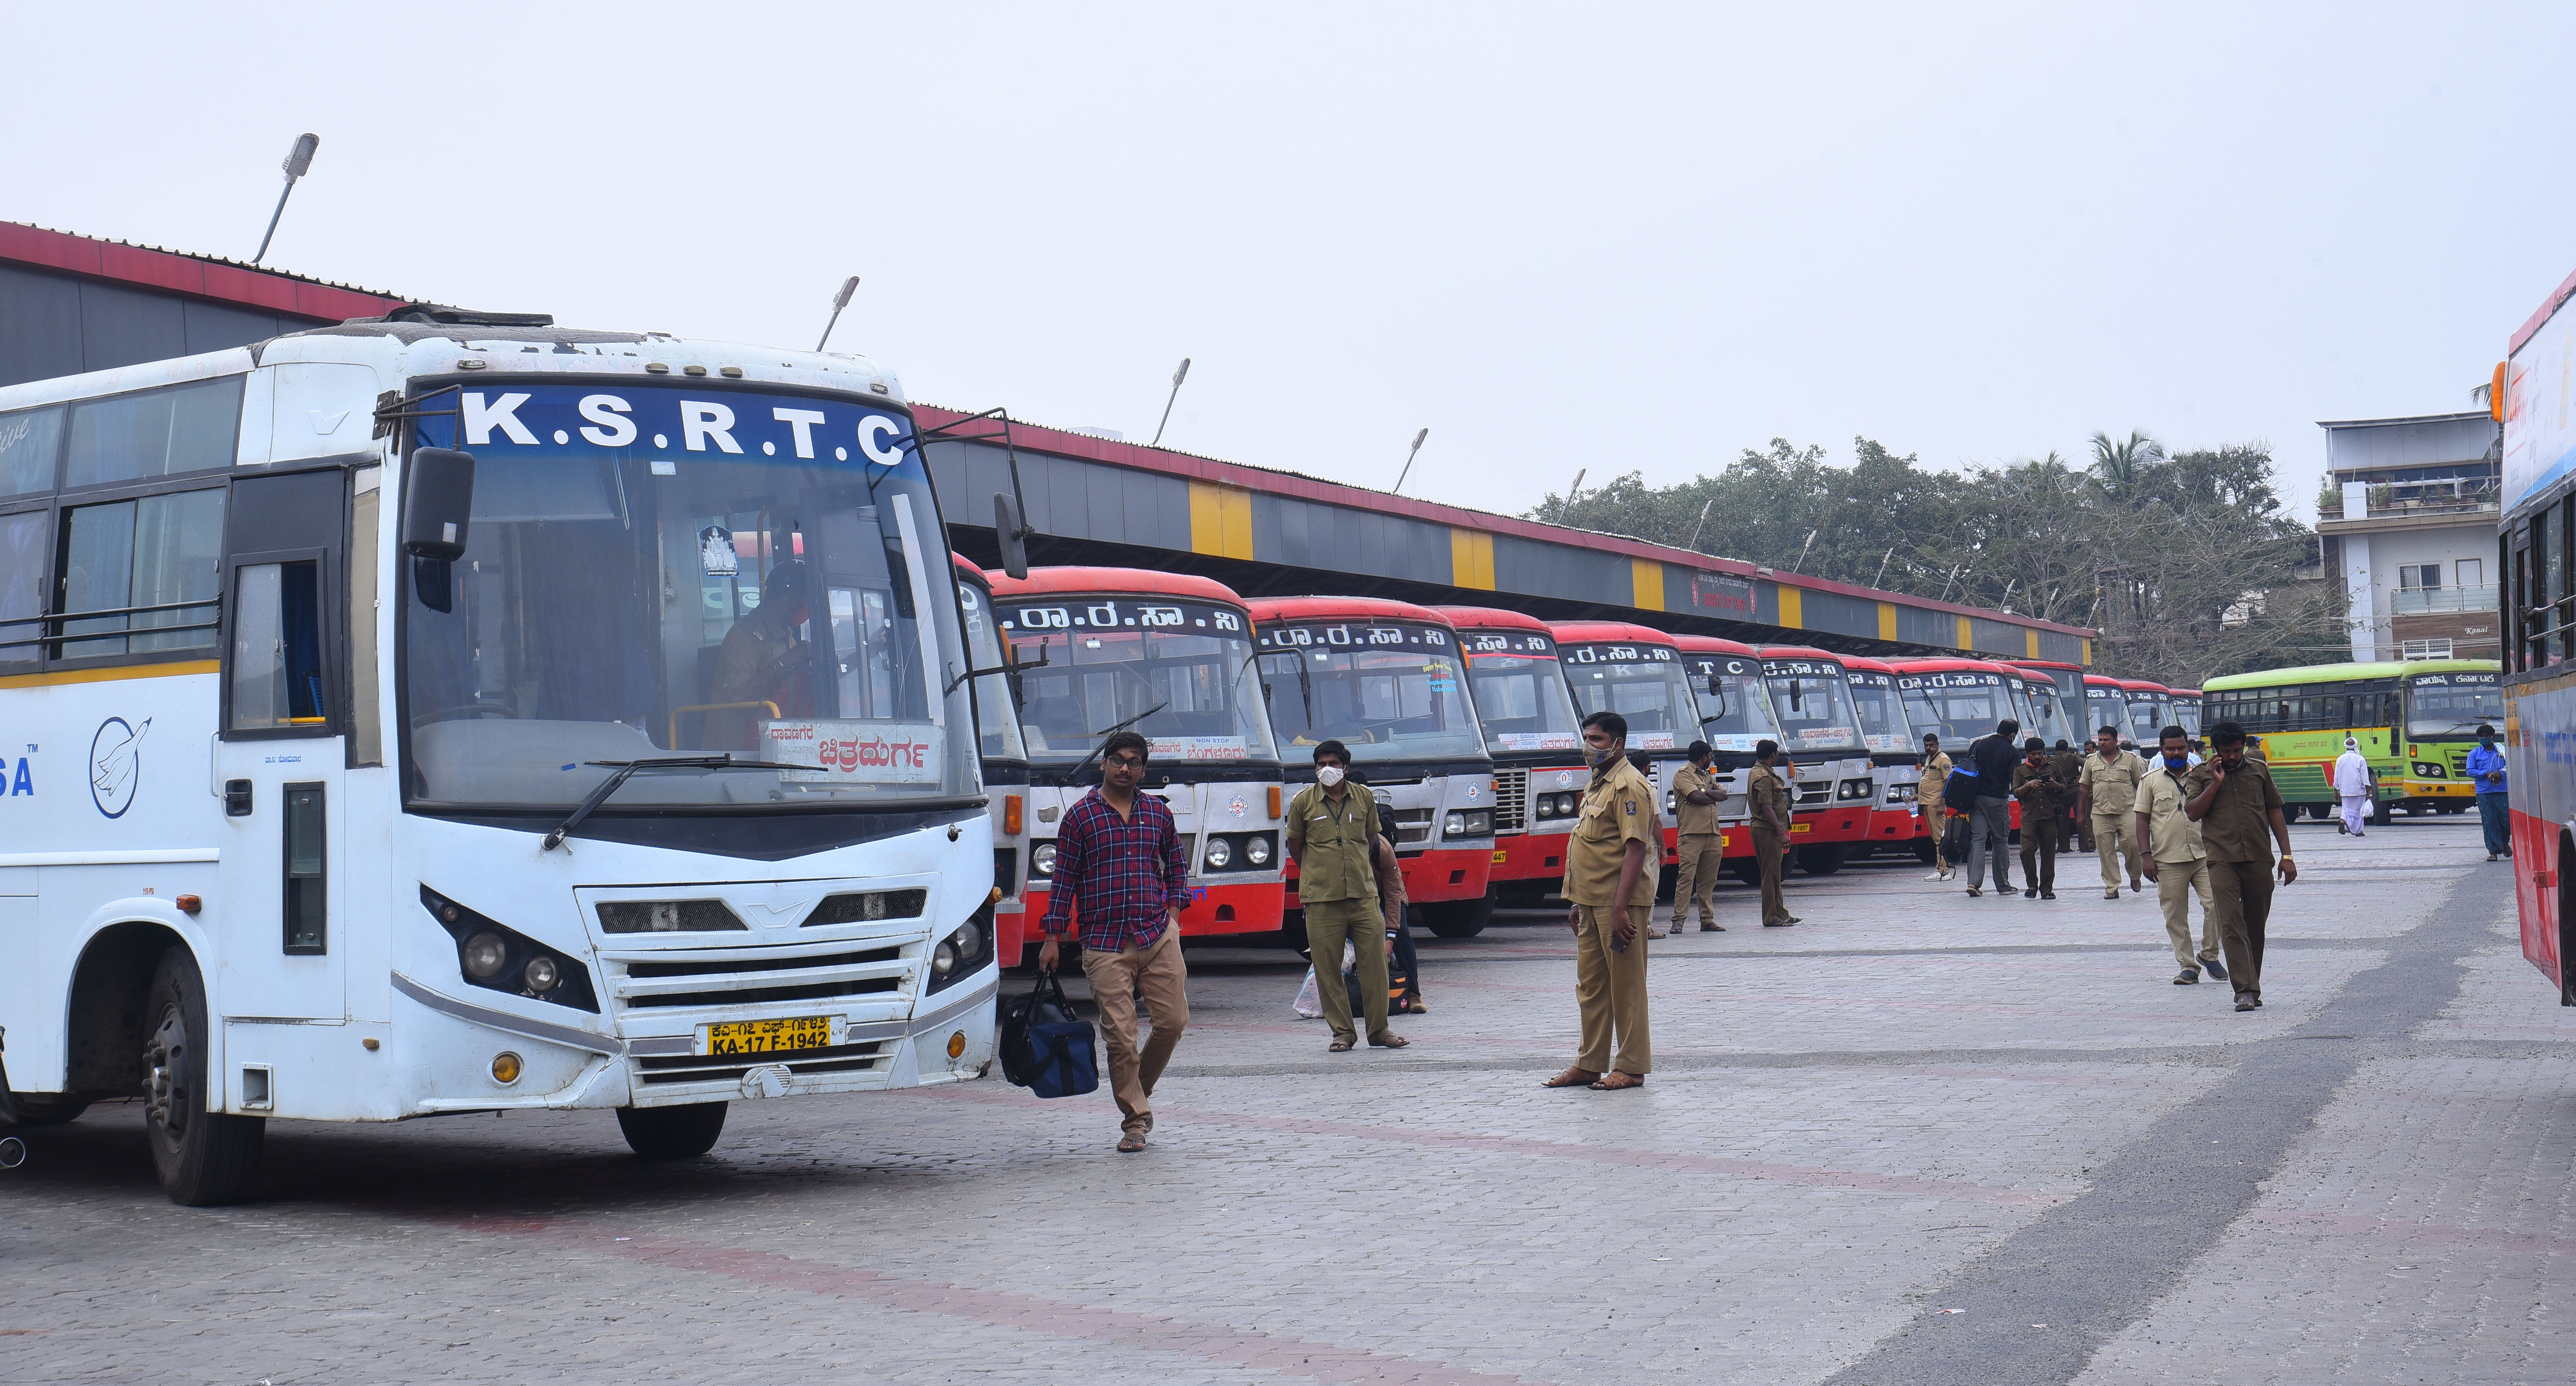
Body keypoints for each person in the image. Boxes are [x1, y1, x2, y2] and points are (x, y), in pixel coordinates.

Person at [1038, 731, 1192, 1152]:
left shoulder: (1157, 814)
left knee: (1173, 1023)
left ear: (1144, 769)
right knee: (1120, 1037)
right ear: (1103, 764)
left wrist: (1174, 918)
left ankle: (1134, 1089)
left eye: (1134, 762)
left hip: (1157, 933)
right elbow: (1063, 880)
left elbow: (1178, 870)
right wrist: (1052, 937)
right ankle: (1135, 1120)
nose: (1125, 768)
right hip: (1104, 942)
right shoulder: (1080, 817)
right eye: (1117, 761)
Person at [1544, 711, 1657, 1092]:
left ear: (1617, 744)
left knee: (1627, 987)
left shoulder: (1629, 785)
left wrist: (1621, 908)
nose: (1588, 745)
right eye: (1587, 738)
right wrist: (1577, 901)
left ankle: (1632, 1066)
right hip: (1591, 902)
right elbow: (1589, 844)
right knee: (1591, 987)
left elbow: (1636, 850)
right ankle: (1590, 1062)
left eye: (1596, 739)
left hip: (1618, 905)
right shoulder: (1598, 782)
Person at [1286, 741, 1408, 1052]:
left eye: (1333, 763)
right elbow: (1296, 846)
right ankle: (1343, 1033)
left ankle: (1379, 1030)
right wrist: (1318, 873)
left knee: (1376, 966)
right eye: (1321, 763)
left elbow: (1371, 840)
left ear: (1346, 768)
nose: (1327, 768)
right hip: (1322, 899)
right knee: (1327, 970)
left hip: (1364, 895)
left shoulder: (1364, 797)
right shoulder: (1303, 802)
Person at [2183, 720, 2298, 1012]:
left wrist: (2287, 856)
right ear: (2215, 750)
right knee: (2231, 924)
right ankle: (2245, 990)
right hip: (2221, 860)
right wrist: (2216, 783)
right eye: (2227, 752)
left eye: (2237, 751)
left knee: (2255, 925)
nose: (2233, 757)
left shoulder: (2258, 771)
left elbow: (2275, 811)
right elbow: (2193, 812)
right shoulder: (2199, 776)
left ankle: (2252, 983)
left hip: (2259, 858)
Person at [2137, 725, 2227, 986]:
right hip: (2167, 859)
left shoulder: (2204, 776)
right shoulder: (2150, 781)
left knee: (2217, 906)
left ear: (2189, 748)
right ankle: (2188, 966)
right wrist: (2146, 856)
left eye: (2181, 748)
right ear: (2162, 750)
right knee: (2175, 915)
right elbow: (2141, 821)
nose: (2176, 753)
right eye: (2170, 749)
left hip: (2205, 855)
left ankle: (2209, 954)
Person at [707, 559, 814, 747]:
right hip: (734, 753)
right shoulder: (743, 636)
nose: (804, 608)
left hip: (770, 744)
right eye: (802, 600)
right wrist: (786, 662)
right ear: (787, 598)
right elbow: (739, 696)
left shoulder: (786, 637)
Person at [2076, 724, 2148, 900]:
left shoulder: (2131, 759)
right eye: (2100, 740)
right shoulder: (2091, 761)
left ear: (2116, 741)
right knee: (2105, 851)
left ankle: (2135, 876)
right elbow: (2084, 788)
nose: (2102, 743)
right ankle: (2112, 886)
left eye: (2106, 740)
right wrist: (2080, 813)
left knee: (2132, 845)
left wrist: (2145, 810)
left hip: (2128, 811)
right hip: (2101, 813)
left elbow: (2140, 785)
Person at [1670, 740, 1729, 932]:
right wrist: (1709, 795)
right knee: (1686, 878)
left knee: (1709, 880)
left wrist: (1705, 792)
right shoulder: (1683, 774)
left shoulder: (1707, 776)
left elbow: (1724, 795)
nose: (1712, 759)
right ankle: (1679, 920)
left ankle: (1707, 919)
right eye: (1711, 756)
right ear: (1704, 757)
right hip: (1691, 835)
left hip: (1713, 833)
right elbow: (1696, 798)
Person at [1961, 718, 2021, 898]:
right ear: (2012, 735)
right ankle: (2003, 885)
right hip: (1997, 800)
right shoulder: (2012, 752)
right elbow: (2015, 779)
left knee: (1977, 840)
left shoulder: (1979, 745)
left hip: (1975, 798)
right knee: (2000, 840)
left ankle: (1973, 883)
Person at [2010, 736, 2069, 899]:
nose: (2037, 757)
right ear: (2027, 754)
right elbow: (2015, 792)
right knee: (2026, 851)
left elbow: (2064, 788)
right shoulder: (2020, 770)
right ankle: (2031, 885)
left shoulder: (2053, 767)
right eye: (2033, 754)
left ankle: (2047, 889)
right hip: (2029, 817)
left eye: (2039, 754)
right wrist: (2028, 786)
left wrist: (2055, 785)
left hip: (2050, 816)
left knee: (2048, 854)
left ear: (2044, 752)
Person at [1747, 739, 1798, 926]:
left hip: (1767, 830)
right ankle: (1770, 918)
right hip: (1767, 831)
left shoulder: (1761, 772)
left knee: (1774, 874)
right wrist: (1781, 833)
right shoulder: (1763, 776)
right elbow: (1767, 808)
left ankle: (1781, 914)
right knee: (1770, 875)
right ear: (1773, 755)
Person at [2467, 724, 2511, 861]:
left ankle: (2504, 843)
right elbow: (2470, 771)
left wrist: (2500, 773)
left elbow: (2510, 765)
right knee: (2489, 821)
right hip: (2484, 793)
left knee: (2506, 821)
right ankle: (2493, 851)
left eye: (2487, 736)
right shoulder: (2474, 754)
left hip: (2502, 791)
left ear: (2493, 737)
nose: (2484, 739)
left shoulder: (2502, 751)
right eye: (2481, 737)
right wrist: (2485, 774)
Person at [1916, 733, 1954, 881]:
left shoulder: (1943, 759)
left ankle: (1945, 871)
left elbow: (1949, 783)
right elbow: (1929, 782)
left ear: (1937, 744)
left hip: (1936, 804)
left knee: (1940, 838)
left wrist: (1943, 804)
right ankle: (1940, 869)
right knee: (1936, 838)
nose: (1928, 748)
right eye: (1926, 746)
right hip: (1927, 803)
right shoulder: (1930, 759)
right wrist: (1918, 799)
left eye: (1931, 745)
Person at [2332, 736, 2374, 837]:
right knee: (2358, 812)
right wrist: (2369, 792)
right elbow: (2365, 778)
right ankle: (2358, 831)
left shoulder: (2340, 759)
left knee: (2347, 809)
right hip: (2358, 790)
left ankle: (2344, 819)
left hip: (2345, 790)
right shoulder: (2360, 759)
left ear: (2346, 746)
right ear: (2356, 745)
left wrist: (2336, 790)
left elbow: (2336, 777)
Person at [2052, 738, 2087, 852]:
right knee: (2081, 818)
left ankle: (2064, 847)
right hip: (2076, 791)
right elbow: (2087, 764)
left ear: (2056, 749)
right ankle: (2084, 847)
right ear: (2067, 748)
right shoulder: (2073, 757)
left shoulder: (2052, 760)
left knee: (2063, 822)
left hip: (2061, 793)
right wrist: (2082, 776)